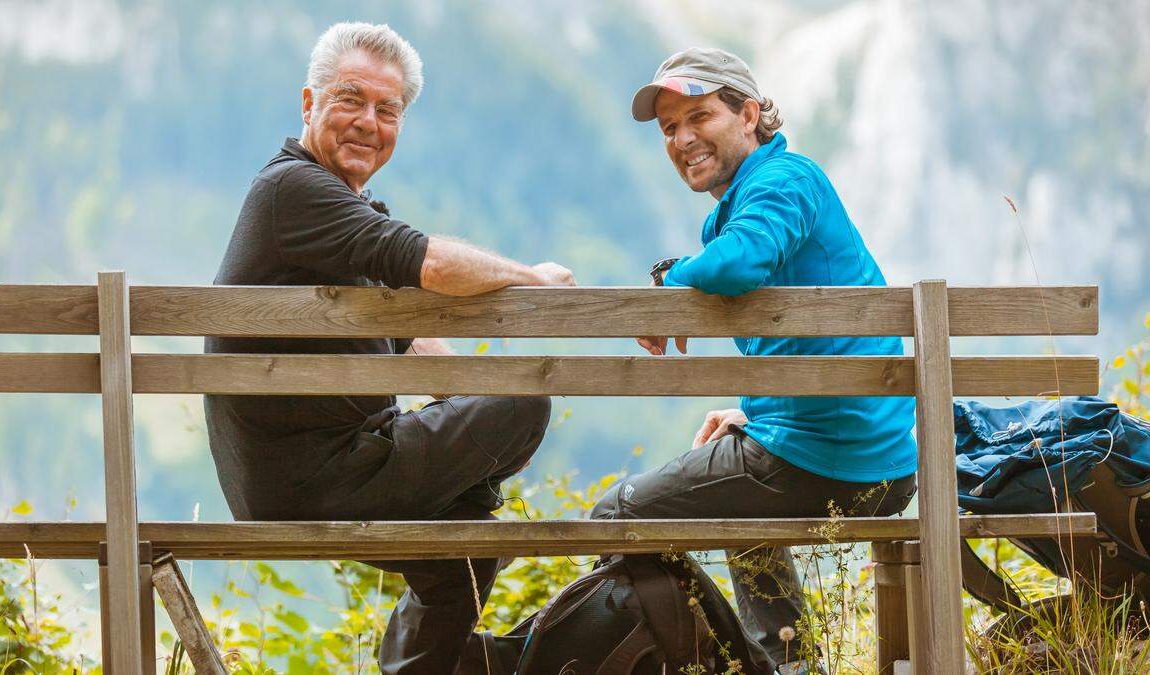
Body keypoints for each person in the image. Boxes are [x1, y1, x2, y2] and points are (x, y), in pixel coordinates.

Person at [203, 22, 573, 674]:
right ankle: (463, 494)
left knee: (467, 547)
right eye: (351, 99)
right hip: (320, 473)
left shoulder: (335, 207)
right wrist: (532, 277)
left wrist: (473, 415)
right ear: (309, 104)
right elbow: (426, 262)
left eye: (387, 109)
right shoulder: (296, 189)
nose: (368, 122)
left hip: (305, 471)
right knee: (528, 403)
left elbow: (412, 344)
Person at [590, 47, 918, 674]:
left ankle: (725, 664)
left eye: (698, 117)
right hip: (874, 463)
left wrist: (668, 279)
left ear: (748, 115)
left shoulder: (782, 182)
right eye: (668, 128)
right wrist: (754, 412)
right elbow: (808, 345)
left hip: (828, 462)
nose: (683, 138)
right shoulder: (764, 192)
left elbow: (738, 263)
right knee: (739, 508)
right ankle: (784, 664)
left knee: (615, 517)